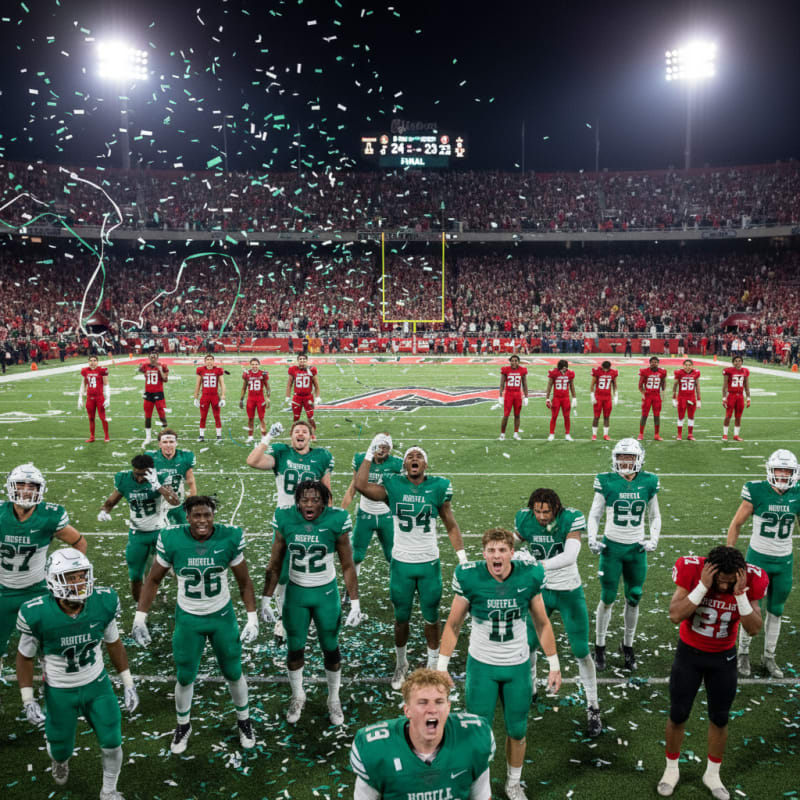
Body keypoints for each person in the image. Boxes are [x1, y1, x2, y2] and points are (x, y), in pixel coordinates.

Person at [439, 528, 562, 800]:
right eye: (491, 550)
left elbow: (542, 623)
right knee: (478, 733)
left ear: (512, 553)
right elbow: (453, 624)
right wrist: (441, 666)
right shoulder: (470, 577)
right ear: (483, 554)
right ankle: (479, 788)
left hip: (517, 666)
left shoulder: (528, 576)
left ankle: (513, 783)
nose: (497, 556)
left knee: (517, 730)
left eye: (502, 550)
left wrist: (554, 663)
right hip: (482, 666)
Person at [131, 495, 257, 754]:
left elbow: (244, 581)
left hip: (221, 616)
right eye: (196, 516)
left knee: (233, 671)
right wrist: (139, 617)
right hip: (188, 617)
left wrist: (252, 616)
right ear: (187, 517)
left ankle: (244, 720)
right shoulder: (172, 538)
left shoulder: (229, 537)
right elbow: (153, 580)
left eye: (207, 515)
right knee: (185, 676)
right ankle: (183, 725)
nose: (202, 521)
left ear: (213, 516)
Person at [16, 548, 138, 799]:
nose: (80, 582)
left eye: (83, 575)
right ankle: (60, 761)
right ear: (54, 580)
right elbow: (24, 658)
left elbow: (114, 643)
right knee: (60, 749)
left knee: (113, 740)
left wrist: (128, 683)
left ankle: (109, 790)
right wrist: (28, 700)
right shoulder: (36, 612)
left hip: (97, 685)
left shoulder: (102, 602)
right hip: (60, 691)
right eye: (71, 577)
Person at [355, 435, 467, 688]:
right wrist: (369, 453)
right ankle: (401, 663)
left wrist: (463, 558)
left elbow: (450, 523)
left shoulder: (438, 487)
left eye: (419, 456)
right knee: (401, 618)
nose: (414, 458)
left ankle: (433, 663)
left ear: (425, 465)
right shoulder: (393, 486)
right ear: (404, 465)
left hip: (428, 562)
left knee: (431, 617)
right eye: (409, 456)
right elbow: (361, 485)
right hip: (402, 562)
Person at [657, 546, 767, 799]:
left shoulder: (750, 579)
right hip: (689, 655)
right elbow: (675, 615)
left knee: (720, 717)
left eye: (731, 582)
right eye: (721, 581)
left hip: (723, 658)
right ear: (710, 571)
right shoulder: (693, 570)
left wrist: (740, 594)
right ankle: (671, 769)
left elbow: (753, 629)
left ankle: (712, 773)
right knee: (678, 713)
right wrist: (703, 587)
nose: (725, 587)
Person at [261, 479, 362, 725]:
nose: (309, 503)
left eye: (315, 499)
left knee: (331, 648)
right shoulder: (285, 518)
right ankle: (298, 694)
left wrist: (356, 601)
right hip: (296, 593)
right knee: (294, 648)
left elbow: (347, 564)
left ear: (324, 502)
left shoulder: (336, 519)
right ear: (297, 501)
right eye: (304, 499)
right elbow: (275, 564)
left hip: (325, 593)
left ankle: (333, 698)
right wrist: (265, 598)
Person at [514, 489, 601, 737]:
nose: (541, 516)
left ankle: (593, 705)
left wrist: (534, 563)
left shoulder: (569, 518)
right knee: (528, 643)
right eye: (537, 511)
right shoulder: (524, 518)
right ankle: (530, 688)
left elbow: (571, 555)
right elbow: (513, 540)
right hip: (540, 591)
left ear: (556, 509)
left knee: (581, 650)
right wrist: (505, 550)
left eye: (547, 511)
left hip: (567, 590)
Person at [350, 668, 495, 800]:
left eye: (439, 702)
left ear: (448, 707)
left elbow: (482, 796)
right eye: (423, 702)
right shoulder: (376, 750)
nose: (432, 709)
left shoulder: (474, 738)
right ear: (407, 710)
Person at [246, 419, 333, 636]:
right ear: (291, 436)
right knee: (282, 572)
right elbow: (253, 461)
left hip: (312, 522)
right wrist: (268, 437)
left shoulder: (321, 456)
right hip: (286, 522)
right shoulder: (282, 453)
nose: (300, 434)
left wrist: (329, 523)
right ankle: (284, 617)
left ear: (310, 436)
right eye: (296, 431)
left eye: (304, 431)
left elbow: (327, 493)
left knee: (310, 570)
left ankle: (309, 614)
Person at [1, 464, 86, 671]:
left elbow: (79, 542)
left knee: (48, 646)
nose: (26, 490)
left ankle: (51, 681)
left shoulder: (49, 516)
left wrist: (74, 574)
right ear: (11, 487)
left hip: (36, 589)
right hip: (2, 589)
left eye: (32, 486)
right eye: (21, 485)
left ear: (39, 490)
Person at [588, 438, 661, 671]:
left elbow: (654, 515)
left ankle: (627, 644)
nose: (624, 461)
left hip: (636, 549)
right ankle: (599, 646)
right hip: (611, 549)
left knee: (635, 596)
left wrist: (654, 539)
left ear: (639, 459)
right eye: (620, 457)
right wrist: (592, 537)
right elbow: (594, 515)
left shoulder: (648, 481)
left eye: (629, 457)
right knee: (607, 597)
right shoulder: (606, 481)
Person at [726, 449, 800, 678]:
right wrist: (730, 553)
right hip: (757, 560)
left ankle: (769, 656)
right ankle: (743, 653)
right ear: (770, 469)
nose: (782, 474)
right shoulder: (756, 490)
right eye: (779, 469)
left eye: (787, 471)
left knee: (776, 611)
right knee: (749, 607)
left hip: (784, 562)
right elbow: (736, 524)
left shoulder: (797, 494)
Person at [97, 453, 180, 602]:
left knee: (178, 568)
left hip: (161, 532)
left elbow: (175, 501)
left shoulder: (160, 477)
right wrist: (105, 510)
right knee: (135, 575)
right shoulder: (125, 479)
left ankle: (186, 599)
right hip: (138, 534)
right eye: (137, 474)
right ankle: (140, 609)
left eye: (144, 475)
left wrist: (158, 486)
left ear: (152, 471)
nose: (140, 478)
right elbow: (113, 499)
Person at [339, 434, 404, 601]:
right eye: (379, 446)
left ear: (390, 449)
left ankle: (404, 587)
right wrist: (341, 511)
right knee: (357, 555)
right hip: (365, 514)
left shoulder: (397, 464)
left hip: (386, 516)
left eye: (385, 447)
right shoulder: (362, 459)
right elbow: (353, 486)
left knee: (392, 555)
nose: (381, 450)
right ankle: (349, 590)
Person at [145, 428, 197, 526]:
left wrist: (191, 502)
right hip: (157, 506)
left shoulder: (185, 457)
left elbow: (190, 482)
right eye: (165, 442)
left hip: (177, 504)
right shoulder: (151, 458)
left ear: (176, 443)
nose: (168, 445)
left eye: (171, 442)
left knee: (185, 532)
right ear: (159, 444)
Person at [193, 353, 226, 444]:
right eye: (207, 359)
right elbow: (198, 384)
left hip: (215, 396)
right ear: (205, 361)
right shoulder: (200, 370)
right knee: (203, 417)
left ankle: (219, 436)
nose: (209, 361)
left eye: (211, 359)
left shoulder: (218, 370)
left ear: (213, 361)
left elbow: (222, 384)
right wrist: (196, 397)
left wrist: (223, 397)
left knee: (217, 416)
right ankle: (201, 435)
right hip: (205, 396)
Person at [286, 353, 320, 440]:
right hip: (297, 397)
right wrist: (288, 396)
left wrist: (317, 397)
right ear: (298, 360)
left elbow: (316, 385)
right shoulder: (293, 369)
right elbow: (289, 384)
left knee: (310, 417)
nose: (302, 361)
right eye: (300, 359)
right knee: (296, 417)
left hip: (308, 397)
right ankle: (294, 432)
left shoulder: (311, 369)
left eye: (304, 359)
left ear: (306, 360)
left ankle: (312, 434)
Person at [139, 350, 169, 447]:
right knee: (148, 416)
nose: (153, 358)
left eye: (155, 356)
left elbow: (165, 380)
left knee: (162, 416)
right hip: (148, 394)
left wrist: (160, 369)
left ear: (157, 357)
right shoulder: (145, 366)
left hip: (159, 393)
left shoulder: (162, 366)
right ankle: (148, 437)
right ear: (149, 357)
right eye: (151, 356)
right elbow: (140, 370)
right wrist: (140, 368)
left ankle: (165, 435)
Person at [79, 354, 110, 443]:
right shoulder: (85, 371)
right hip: (90, 398)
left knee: (102, 417)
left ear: (97, 361)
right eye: (91, 361)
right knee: (91, 418)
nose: (92, 363)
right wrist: (80, 398)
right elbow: (83, 385)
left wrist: (108, 398)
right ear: (88, 362)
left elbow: (106, 384)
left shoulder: (101, 370)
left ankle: (106, 435)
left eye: (94, 360)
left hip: (99, 397)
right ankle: (92, 436)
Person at [239, 357, 270, 444]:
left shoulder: (263, 373)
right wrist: (241, 399)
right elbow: (244, 387)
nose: (254, 366)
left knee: (261, 418)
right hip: (250, 399)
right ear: (250, 365)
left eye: (256, 364)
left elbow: (267, 387)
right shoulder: (247, 374)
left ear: (259, 365)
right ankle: (250, 436)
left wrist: (268, 398)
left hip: (260, 398)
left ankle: (264, 437)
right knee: (250, 418)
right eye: (252, 364)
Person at [545, 359, 577, 441]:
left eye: (565, 368)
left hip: (565, 398)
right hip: (556, 398)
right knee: (554, 416)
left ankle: (567, 434)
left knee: (567, 417)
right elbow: (549, 386)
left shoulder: (570, 373)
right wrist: (547, 398)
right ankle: (551, 434)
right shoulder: (554, 373)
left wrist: (574, 397)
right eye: (563, 368)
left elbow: (572, 386)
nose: (564, 369)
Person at [499, 354, 529, 440]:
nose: (514, 362)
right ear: (510, 361)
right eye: (512, 360)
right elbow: (502, 384)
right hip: (509, 394)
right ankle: (502, 434)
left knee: (517, 415)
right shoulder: (506, 370)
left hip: (517, 394)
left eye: (516, 360)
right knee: (506, 415)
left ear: (518, 362)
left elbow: (525, 385)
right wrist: (500, 395)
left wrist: (526, 396)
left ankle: (516, 433)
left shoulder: (522, 370)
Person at [722, 355, 751, 441]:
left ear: (742, 362)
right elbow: (725, 385)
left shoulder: (745, 371)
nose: (737, 362)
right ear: (733, 362)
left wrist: (748, 398)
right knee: (728, 416)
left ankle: (736, 435)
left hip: (740, 396)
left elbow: (746, 386)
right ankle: (725, 434)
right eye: (736, 361)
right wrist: (724, 398)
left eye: (739, 361)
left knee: (738, 416)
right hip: (731, 395)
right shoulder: (728, 371)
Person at [672, 359, 702, 441]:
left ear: (692, 366)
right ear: (683, 366)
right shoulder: (679, 373)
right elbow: (675, 386)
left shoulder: (695, 373)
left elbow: (697, 387)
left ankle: (690, 434)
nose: (688, 367)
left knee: (691, 416)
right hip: (682, 397)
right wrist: (674, 398)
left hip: (691, 397)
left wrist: (699, 399)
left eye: (689, 365)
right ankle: (679, 434)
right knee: (681, 416)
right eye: (686, 365)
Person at [638, 355, 667, 441]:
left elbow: (663, 382)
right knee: (644, 415)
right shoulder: (645, 371)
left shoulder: (662, 372)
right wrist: (643, 393)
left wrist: (663, 390)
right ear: (650, 363)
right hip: (647, 396)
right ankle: (641, 434)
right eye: (652, 362)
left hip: (657, 396)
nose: (654, 364)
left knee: (657, 415)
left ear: (658, 363)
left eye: (656, 362)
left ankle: (657, 434)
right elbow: (640, 385)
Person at [590, 359, 619, 441]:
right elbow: (592, 384)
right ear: (602, 367)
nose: (605, 370)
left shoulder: (613, 372)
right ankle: (594, 434)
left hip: (607, 398)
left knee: (607, 417)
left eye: (607, 369)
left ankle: (605, 434)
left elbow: (615, 385)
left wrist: (616, 395)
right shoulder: (597, 372)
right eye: (604, 369)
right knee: (596, 416)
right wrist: (592, 395)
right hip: (598, 397)